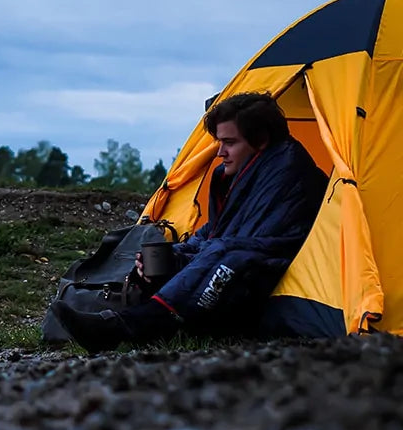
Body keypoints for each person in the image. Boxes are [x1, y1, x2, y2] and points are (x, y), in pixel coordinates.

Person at [51, 91, 329, 352]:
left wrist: (192, 256)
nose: (220, 152)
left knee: (224, 255)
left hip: (268, 273)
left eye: (230, 143)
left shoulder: (287, 173)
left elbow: (260, 244)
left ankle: (128, 327)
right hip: (239, 258)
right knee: (172, 253)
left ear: (261, 140)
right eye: (219, 142)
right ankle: (137, 312)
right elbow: (218, 230)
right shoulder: (246, 172)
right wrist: (172, 255)